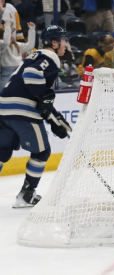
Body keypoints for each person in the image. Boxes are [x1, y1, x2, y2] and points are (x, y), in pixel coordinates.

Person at [0, 25, 72, 208]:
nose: (66, 44)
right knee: (42, 152)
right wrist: (50, 112)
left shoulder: (35, 55)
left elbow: (40, 99)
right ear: (54, 43)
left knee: (2, 152)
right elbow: (32, 78)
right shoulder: (51, 56)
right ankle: (26, 195)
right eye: (63, 40)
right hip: (21, 110)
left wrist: (53, 117)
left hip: (3, 109)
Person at [0, 19, 36, 89]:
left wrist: (32, 29)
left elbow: (30, 45)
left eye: (12, 32)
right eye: (10, 33)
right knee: (3, 97)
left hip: (19, 72)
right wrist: (7, 25)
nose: (11, 35)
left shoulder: (17, 45)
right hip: (6, 74)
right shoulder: (2, 45)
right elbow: (6, 42)